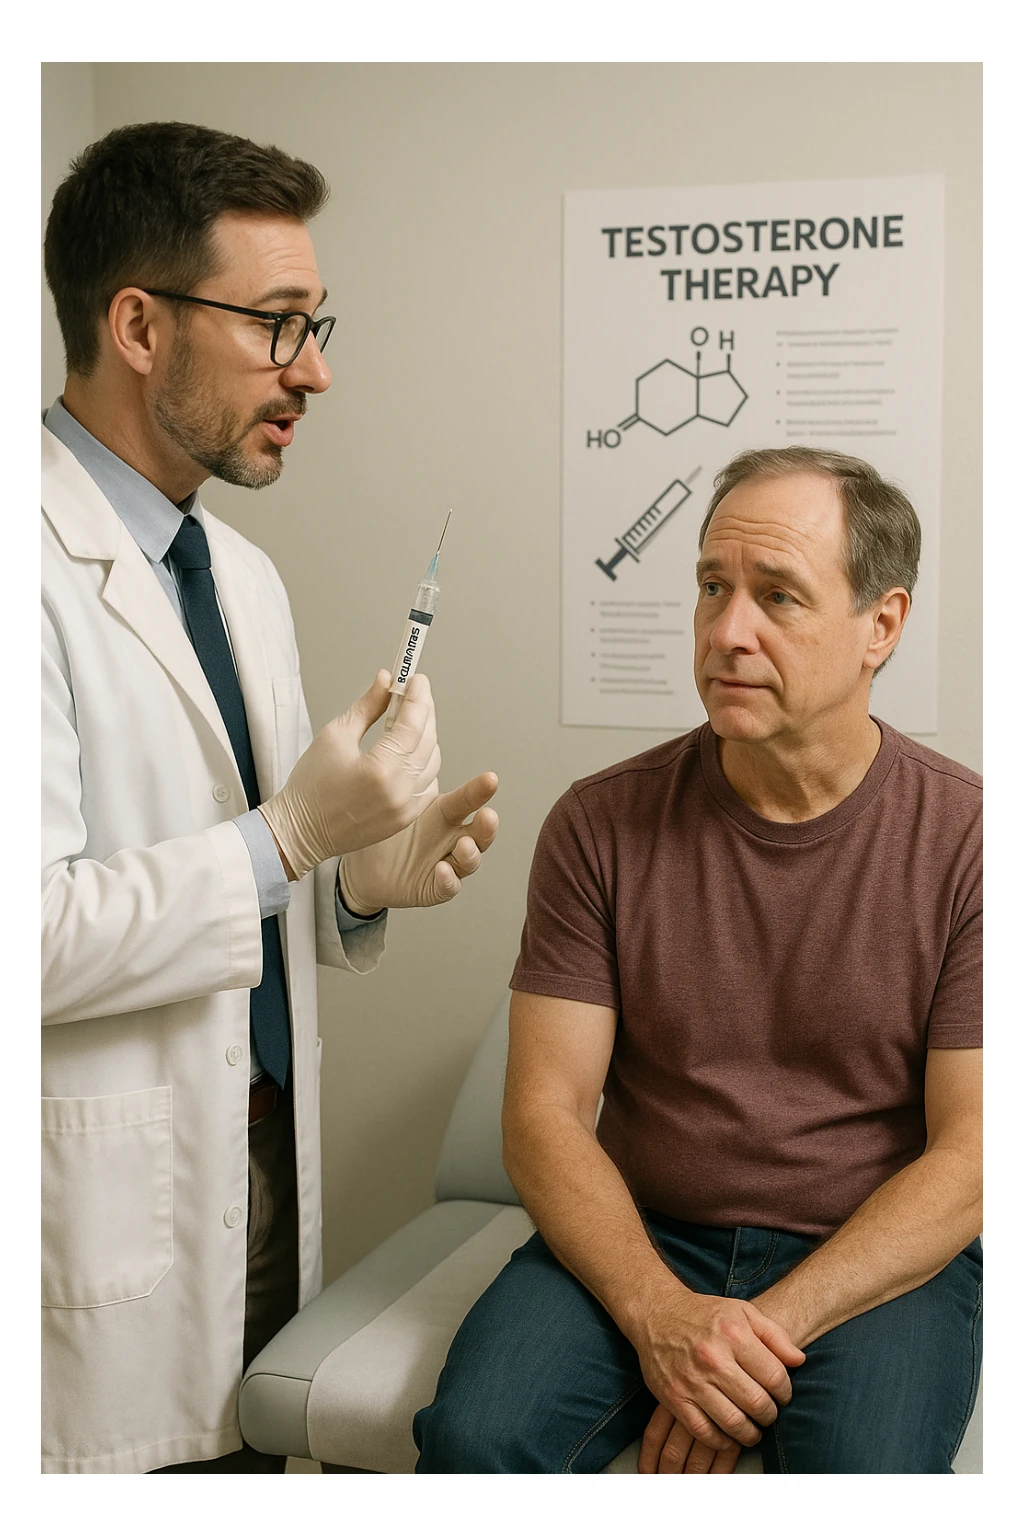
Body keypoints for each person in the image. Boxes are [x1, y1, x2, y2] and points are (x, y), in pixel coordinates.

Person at [41, 120, 498, 1475]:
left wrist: (352, 879)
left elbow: (247, 879)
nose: (316, 369)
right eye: (277, 324)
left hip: (249, 1168)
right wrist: (292, 835)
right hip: (89, 1201)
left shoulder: (238, 577)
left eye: (315, 323)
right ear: (139, 325)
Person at [413, 445, 981, 1475]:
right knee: (474, 1440)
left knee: (865, 1473)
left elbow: (974, 1153)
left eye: (778, 597)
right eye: (713, 587)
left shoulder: (973, 840)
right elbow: (542, 1116)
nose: (727, 632)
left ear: (881, 626)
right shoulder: (600, 823)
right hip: (647, 1230)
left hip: (866, 1251)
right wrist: (659, 1315)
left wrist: (738, 1345)